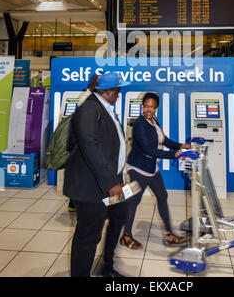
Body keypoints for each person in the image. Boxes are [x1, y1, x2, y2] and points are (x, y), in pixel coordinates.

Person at [63, 71, 130, 277]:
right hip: (91, 186)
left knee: (120, 214)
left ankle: (106, 266)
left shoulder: (106, 107)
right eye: (117, 91)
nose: (119, 94)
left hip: (111, 178)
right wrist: (111, 181)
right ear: (108, 91)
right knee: (88, 235)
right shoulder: (89, 109)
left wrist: (118, 175)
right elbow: (89, 145)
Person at [120, 92, 189, 250]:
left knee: (162, 196)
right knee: (133, 202)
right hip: (138, 169)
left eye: (152, 107)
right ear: (142, 106)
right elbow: (148, 149)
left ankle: (170, 235)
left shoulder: (153, 121)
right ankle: (126, 236)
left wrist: (179, 146)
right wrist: (174, 155)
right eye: (146, 106)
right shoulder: (139, 124)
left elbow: (163, 139)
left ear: (156, 108)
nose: (149, 110)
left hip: (151, 168)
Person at [67, 73, 100, 213]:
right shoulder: (86, 98)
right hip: (83, 145)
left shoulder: (90, 97)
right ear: (93, 84)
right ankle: (75, 203)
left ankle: (74, 203)